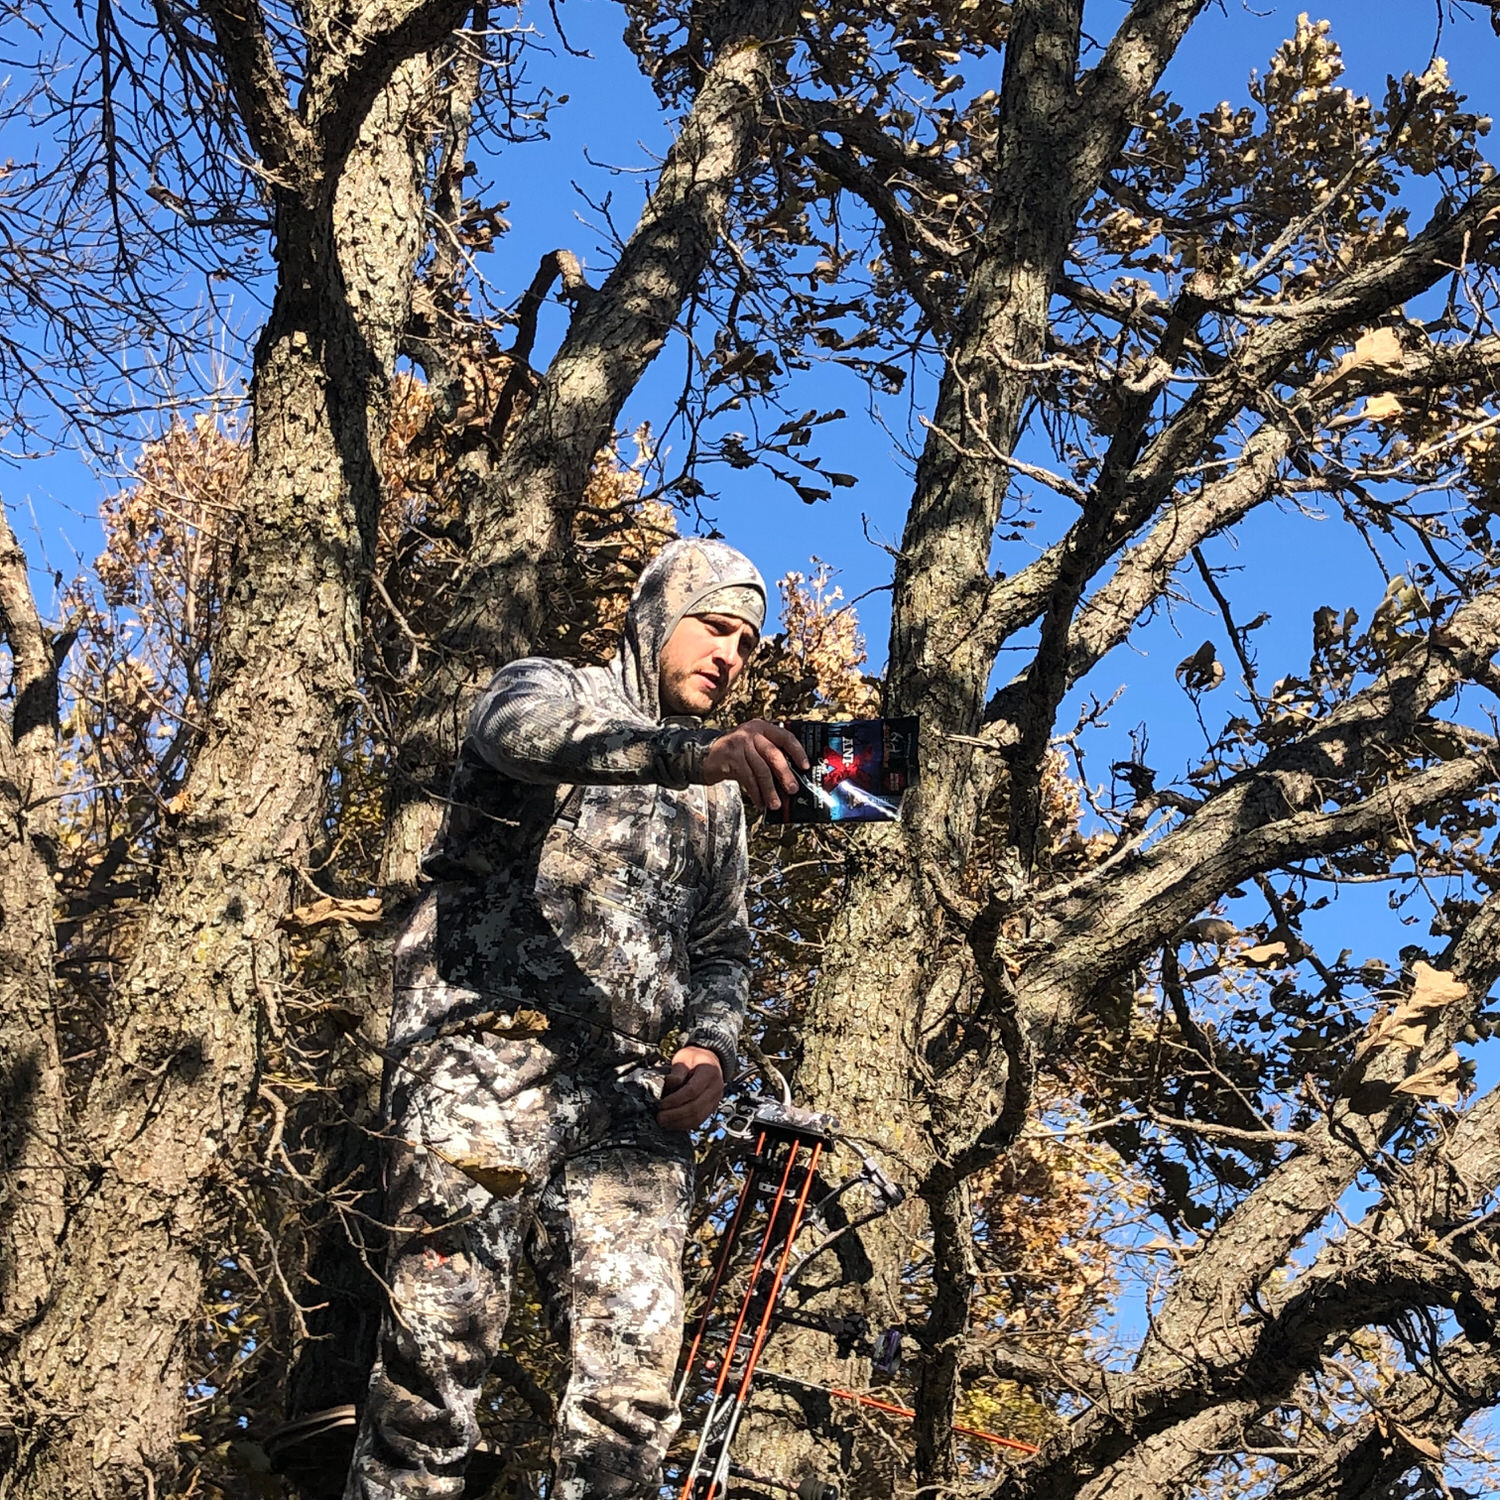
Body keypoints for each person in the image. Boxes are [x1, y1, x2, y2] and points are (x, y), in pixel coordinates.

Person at [345, 538, 810, 1500]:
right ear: (654, 619)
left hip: (631, 1109)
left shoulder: (718, 800)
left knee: (632, 1400)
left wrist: (712, 1046)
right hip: (482, 1060)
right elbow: (514, 737)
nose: (731, 656)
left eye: (748, 644)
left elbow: (723, 946)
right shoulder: (549, 687)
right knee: (439, 1357)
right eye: (714, 627)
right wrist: (689, 757)